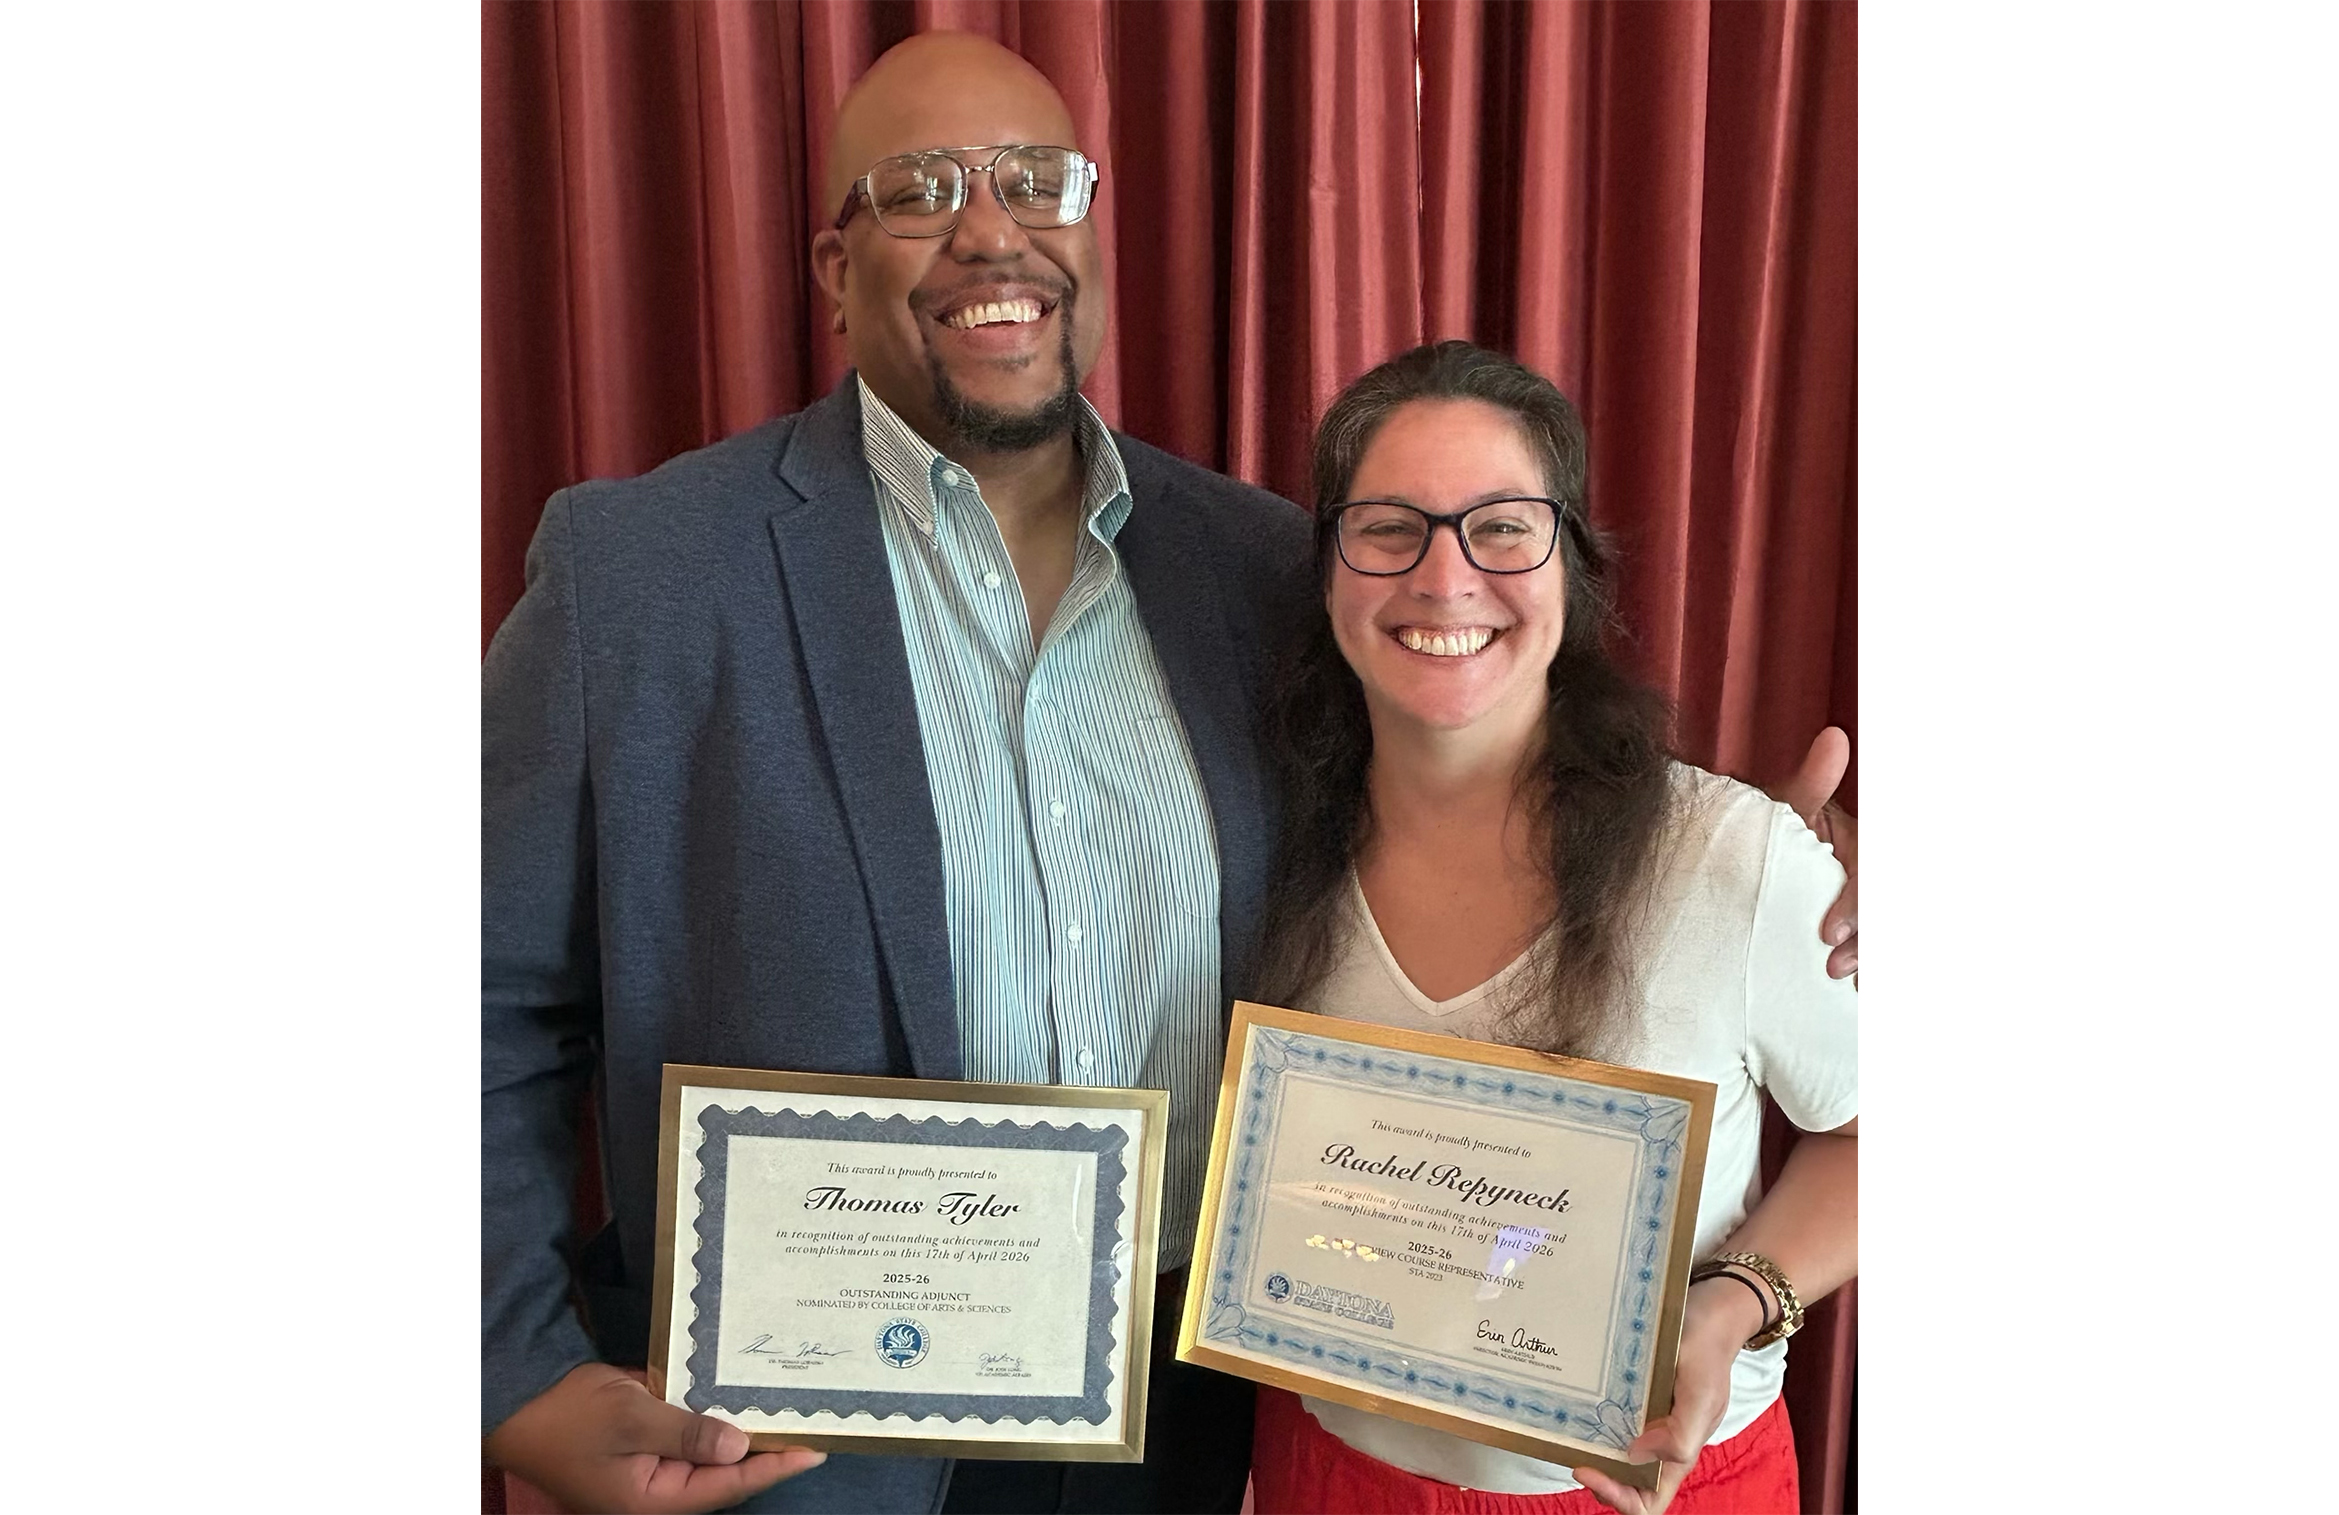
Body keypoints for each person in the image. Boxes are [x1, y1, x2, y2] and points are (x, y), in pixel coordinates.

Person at [481, 32, 1859, 1515]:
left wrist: (1781, 878)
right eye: (919, 191)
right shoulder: (638, 576)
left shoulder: (1271, 568)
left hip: (1205, 1423)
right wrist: (520, 1380)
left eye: (1034, 180)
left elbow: (1489, 753)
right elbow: (472, 1000)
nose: (990, 228)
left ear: (1089, 227)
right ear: (831, 267)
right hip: (804, 1446)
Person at [1243, 341, 1857, 1515]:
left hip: (1656, 1491)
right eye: (1387, 527)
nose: (1443, 576)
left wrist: (1729, 1305)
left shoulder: (1727, 856)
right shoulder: (1260, 844)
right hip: (1333, 1477)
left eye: (1502, 528)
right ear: (1325, 570)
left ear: (1571, 565)